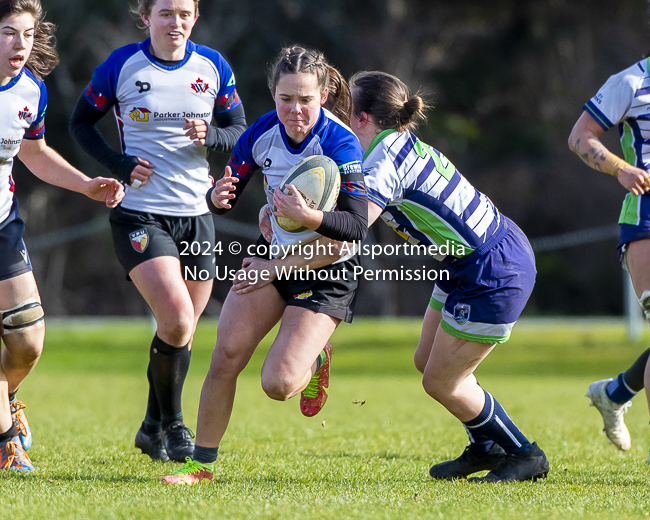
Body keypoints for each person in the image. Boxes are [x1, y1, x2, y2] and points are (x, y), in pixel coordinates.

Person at [161, 45, 368, 485]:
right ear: (273, 95)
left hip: (326, 265)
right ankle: (201, 467)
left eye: (306, 99)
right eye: (285, 99)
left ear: (325, 94)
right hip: (272, 254)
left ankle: (313, 359)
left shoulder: (340, 141)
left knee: (278, 385)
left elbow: (354, 225)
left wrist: (308, 218)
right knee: (226, 353)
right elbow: (227, 192)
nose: (295, 110)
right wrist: (215, 199)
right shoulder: (259, 133)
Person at [347, 71, 549, 483]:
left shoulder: (383, 164)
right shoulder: (397, 144)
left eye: (344, 105)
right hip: (469, 260)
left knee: (440, 381)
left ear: (363, 118)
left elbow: (352, 229)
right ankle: (484, 445)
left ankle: (525, 453)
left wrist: (298, 229)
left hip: (492, 268)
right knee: (427, 362)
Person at [68, 0, 246, 463]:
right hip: (140, 213)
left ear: (195, 17)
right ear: (145, 17)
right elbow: (80, 123)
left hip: (197, 214)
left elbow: (238, 130)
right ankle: (174, 425)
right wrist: (120, 164)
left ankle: (150, 426)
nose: (176, 22)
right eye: (166, 12)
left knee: (179, 332)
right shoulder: (121, 65)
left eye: (184, 13)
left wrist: (210, 135)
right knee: (178, 319)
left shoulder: (213, 66)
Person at [0, 0, 124, 472]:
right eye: (9, 32)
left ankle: (7, 398)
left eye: (27, 35)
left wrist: (87, 184)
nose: (20, 44)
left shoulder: (30, 90)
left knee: (27, 342)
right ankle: (7, 446)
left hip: (2, 225)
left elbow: (34, 153)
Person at [569, 57, 650, 456]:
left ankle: (613, 393)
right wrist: (620, 168)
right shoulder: (630, 82)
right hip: (646, 221)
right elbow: (581, 136)